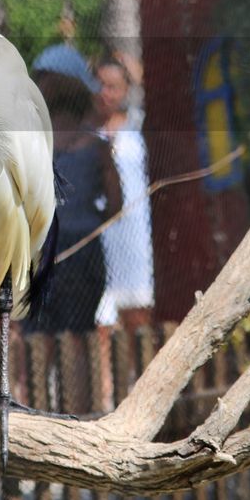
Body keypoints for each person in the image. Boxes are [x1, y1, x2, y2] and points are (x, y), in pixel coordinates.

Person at [26, 45, 121, 334]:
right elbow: (116, 204)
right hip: (83, 249)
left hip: (40, 250)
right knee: (79, 338)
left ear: (54, 84)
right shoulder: (97, 147)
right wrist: (88, 222)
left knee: (37, 340)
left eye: (42, 79)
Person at [93, 56, 154, 329]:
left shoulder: (140, 126)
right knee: (102, 321)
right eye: (100, 85)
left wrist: (129, 63)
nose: (105, 93)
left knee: (138, 316)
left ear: (126, 90)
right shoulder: (86, 132)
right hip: (101, 234)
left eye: (113, 87)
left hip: (139, 233)